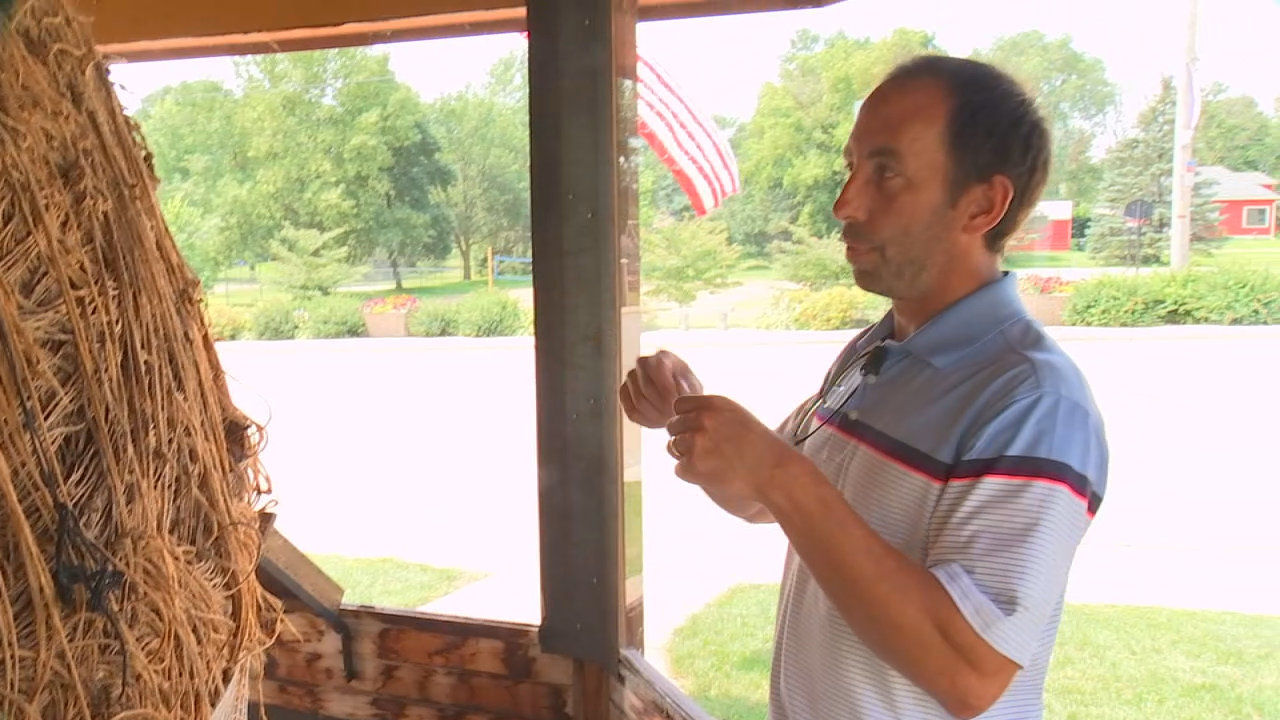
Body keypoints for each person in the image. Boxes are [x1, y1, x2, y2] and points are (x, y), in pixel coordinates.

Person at [619, 55, 1108, 720]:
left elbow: (971, 671)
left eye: (886, 174)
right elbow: (763, 498)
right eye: (852, 168)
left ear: (982, 205)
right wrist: (691, 414)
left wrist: (779, 471)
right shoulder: (878, 350)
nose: (845, 202)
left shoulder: (1032, 403)